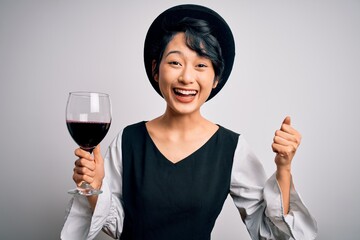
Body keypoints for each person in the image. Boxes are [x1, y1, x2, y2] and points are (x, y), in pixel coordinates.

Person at [61, 4, 317, 240]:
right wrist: (95, 188)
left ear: (216, 78)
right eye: (174, 62)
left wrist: (284, 168)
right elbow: (118, 226)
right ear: (155, 69)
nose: (186, 77)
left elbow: (272, 234)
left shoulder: (232, 148)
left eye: (201, 65)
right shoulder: (127, 140)